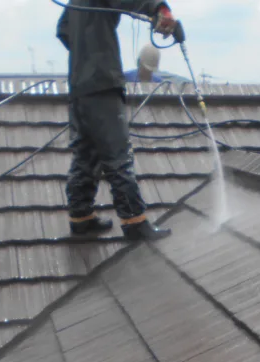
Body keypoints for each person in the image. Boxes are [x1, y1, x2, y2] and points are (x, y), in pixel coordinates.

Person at [56, 1, 178, 241]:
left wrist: (86, 53)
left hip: (80, 85)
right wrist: (160, 9)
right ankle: (134, 222)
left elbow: (63, 30)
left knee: (86, 152)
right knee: (118, 155)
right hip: (103, 82)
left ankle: (81, 218)